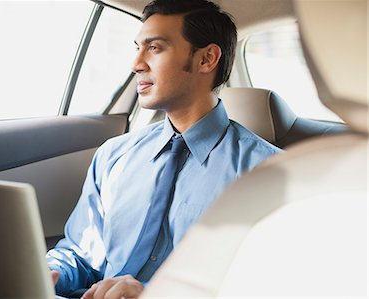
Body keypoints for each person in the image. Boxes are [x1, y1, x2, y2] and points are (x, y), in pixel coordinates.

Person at [47, 0, 281, 298]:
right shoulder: (113, 156)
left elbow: (262, 285)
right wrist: (50, 270)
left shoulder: (268, 174)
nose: (136, 64)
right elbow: (81, 253)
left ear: (206, 59)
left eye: (155, 48)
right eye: (137, 48)